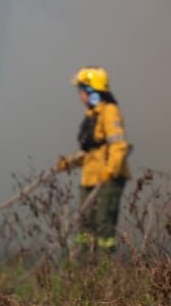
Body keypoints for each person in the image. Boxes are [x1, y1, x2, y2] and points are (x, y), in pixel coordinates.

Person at [56, 65, 131, 254]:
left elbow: (118, 145)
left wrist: (110, 170)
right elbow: (92, 152)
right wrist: (69, 163)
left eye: (81, 91)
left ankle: (104, 271)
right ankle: (84, 272)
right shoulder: (92, 114)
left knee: (103, 225)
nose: (80, 96)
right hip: (90, 178)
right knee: (85, 225)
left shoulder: (109, 112)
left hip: (107, 180)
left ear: (92, 92)